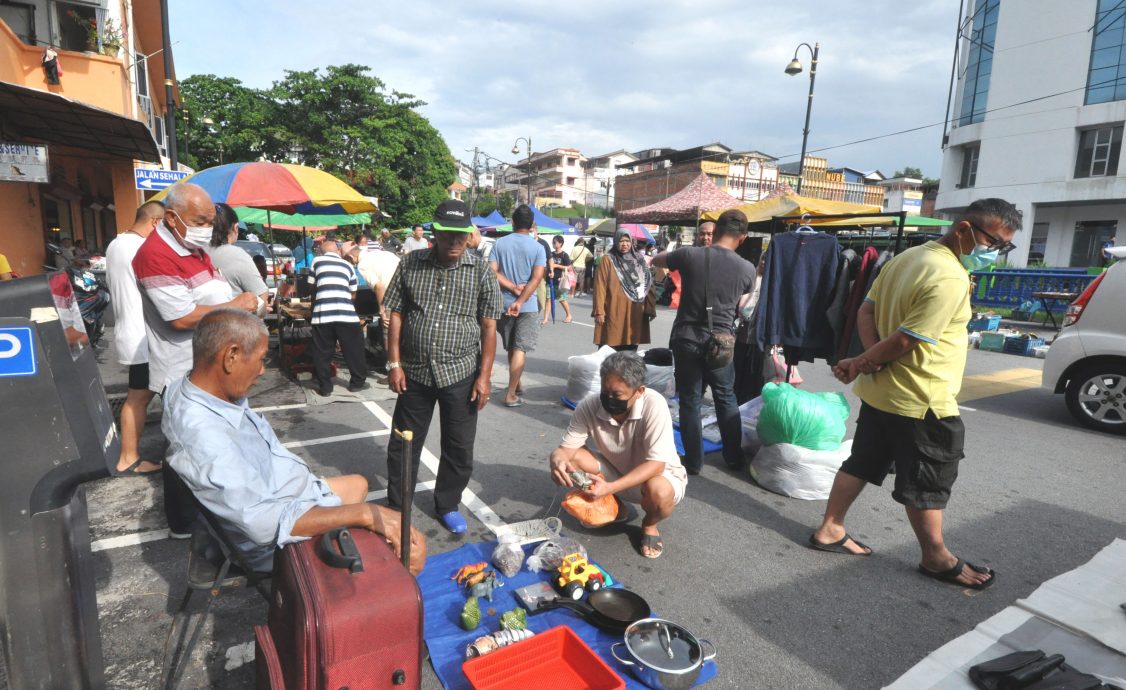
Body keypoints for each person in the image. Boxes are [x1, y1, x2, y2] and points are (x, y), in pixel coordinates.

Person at [810, 198, 1020, 590]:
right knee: (928, 479)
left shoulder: (905, 259)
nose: (995, 253)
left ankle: (830, 528)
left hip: (882, 393)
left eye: (1003, 246)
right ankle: (936, 558)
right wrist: (865, 361)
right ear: (963, 230)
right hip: (922, 399)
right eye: (994, 243)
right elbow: (907, 339)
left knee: (861, 462)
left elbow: (866, 313)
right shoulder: (950, 276)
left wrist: (868, 360)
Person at [163, 308, 425, 574]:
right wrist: (365, 515)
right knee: (405, 552)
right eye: (261, 359)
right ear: (231, 356)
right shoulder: (203, 435)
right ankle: (380, 590)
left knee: (358, 485)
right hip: (275, 539)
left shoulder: (192, 387)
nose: (263, 370)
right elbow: (264, 523)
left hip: (286, 491)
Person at [132, 182, 259, 538]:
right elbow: (180, 316)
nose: (208, 227)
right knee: (187, 446)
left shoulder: (192, 247)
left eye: (211, 220)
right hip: (181, 369)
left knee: (214, 443)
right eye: (200, 220)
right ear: (172, 218)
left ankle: (211, 511)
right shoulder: (155, 254)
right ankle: (184, 524)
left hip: (207, 364)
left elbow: (209, 293)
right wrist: (238, 304)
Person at [383, 199, 502, 534]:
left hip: (460, 372)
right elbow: (395, 312)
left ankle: (447, 504)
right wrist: (394, 362)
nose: (454, 242)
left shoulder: (479, 270)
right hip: (415, 371)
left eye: (460, 236)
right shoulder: (411, 263)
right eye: (447, 235)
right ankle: (397, 505)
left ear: (469, 235)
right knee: (403, 442)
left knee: (459, 446)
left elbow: (489, 326)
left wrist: (484, 377)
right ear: (434, 232)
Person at [549, 352, 687, 559]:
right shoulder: (590, 404)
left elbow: (656, 465)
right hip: (616, 471)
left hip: (655, 478)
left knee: (658, 490)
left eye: (617, 395)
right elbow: (565, 450)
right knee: (572, 458)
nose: (609, 399)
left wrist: (610, 488)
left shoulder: (654, 404)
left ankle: (649, 524)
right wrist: (556, 460)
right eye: (605, 392)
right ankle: (616, 508)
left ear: (639, 391)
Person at [652, 209, 756, 475]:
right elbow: (744, 301)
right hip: (722, 342)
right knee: (725, 398)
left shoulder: (689, 255)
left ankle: (694, 462)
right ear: (742, 238)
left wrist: (674, 256)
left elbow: (657, 259)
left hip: (687, 338)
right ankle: (733, 458)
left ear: (716, 230)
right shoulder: (746, 268)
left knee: (690, 400)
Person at [104, 201, 166, 476]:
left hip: (132, 332)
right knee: (139, 398)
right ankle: (128, 458)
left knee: (139, 397)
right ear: (155, 222)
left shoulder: (116, 244)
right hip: (144, 335)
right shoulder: (139, 248)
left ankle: (130, 456)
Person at [490, 205, 546, 407]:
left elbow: (492, 272)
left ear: (512, 222)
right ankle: (511, 394)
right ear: (531, 225)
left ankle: (517, 382)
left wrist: (512, 288)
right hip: (528, 305)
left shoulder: (499, 244)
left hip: (504, 303)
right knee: (520, 347)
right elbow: (537, 277)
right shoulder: (538, 247)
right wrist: (521, 298)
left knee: (512, 346)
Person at [310, 239, 368, 395]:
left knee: (322, 352)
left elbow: (312, 287)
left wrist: (314, 308)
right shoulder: (348, 266)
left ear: (322, 252)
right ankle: (357, 382)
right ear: (337, 251)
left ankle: (325, 387)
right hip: (347, 315)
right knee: (354, 350)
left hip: (323, 315)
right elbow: (353, 294)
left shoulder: (317, 261)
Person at [593, 229, 655, 351]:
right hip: (613, 308)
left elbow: (648, 284)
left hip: (635, 310)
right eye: (621, 241)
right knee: (610, 343)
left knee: (631, 343)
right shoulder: (608, 260)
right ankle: (610, 369)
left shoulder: (638, 260)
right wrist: (599, 310)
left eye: (627, 241)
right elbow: (600, 285)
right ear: (616, 242)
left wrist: (650, 307)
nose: (625, 244)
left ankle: (627, 369)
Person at [206, 203, 268, 317]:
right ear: (235, 227)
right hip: (232, 328)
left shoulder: (193, 252)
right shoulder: (238, 256)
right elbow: (261, 302)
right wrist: (263, 308)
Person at [549, 235, 574, 323]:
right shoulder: (551, 254)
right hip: (551, 279)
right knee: (548, 298)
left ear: (560, 243)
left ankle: (569, 315)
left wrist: (557, 266)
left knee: (562, 299)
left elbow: (570, 268)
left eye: (555, 242)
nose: (553, 244)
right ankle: (545, 318)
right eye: (553, 242)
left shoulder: (564, 255)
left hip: (561, 280)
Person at [533, 229, 554, 324]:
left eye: (532, 231)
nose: (531, 233)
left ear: (536, 231)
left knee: (541, 296)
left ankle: (536, 315)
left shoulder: (543, 243)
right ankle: (531, 316)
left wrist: (552, 270)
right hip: (527, 274)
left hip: (542, 274)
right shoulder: (526, 241)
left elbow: (550, 258)